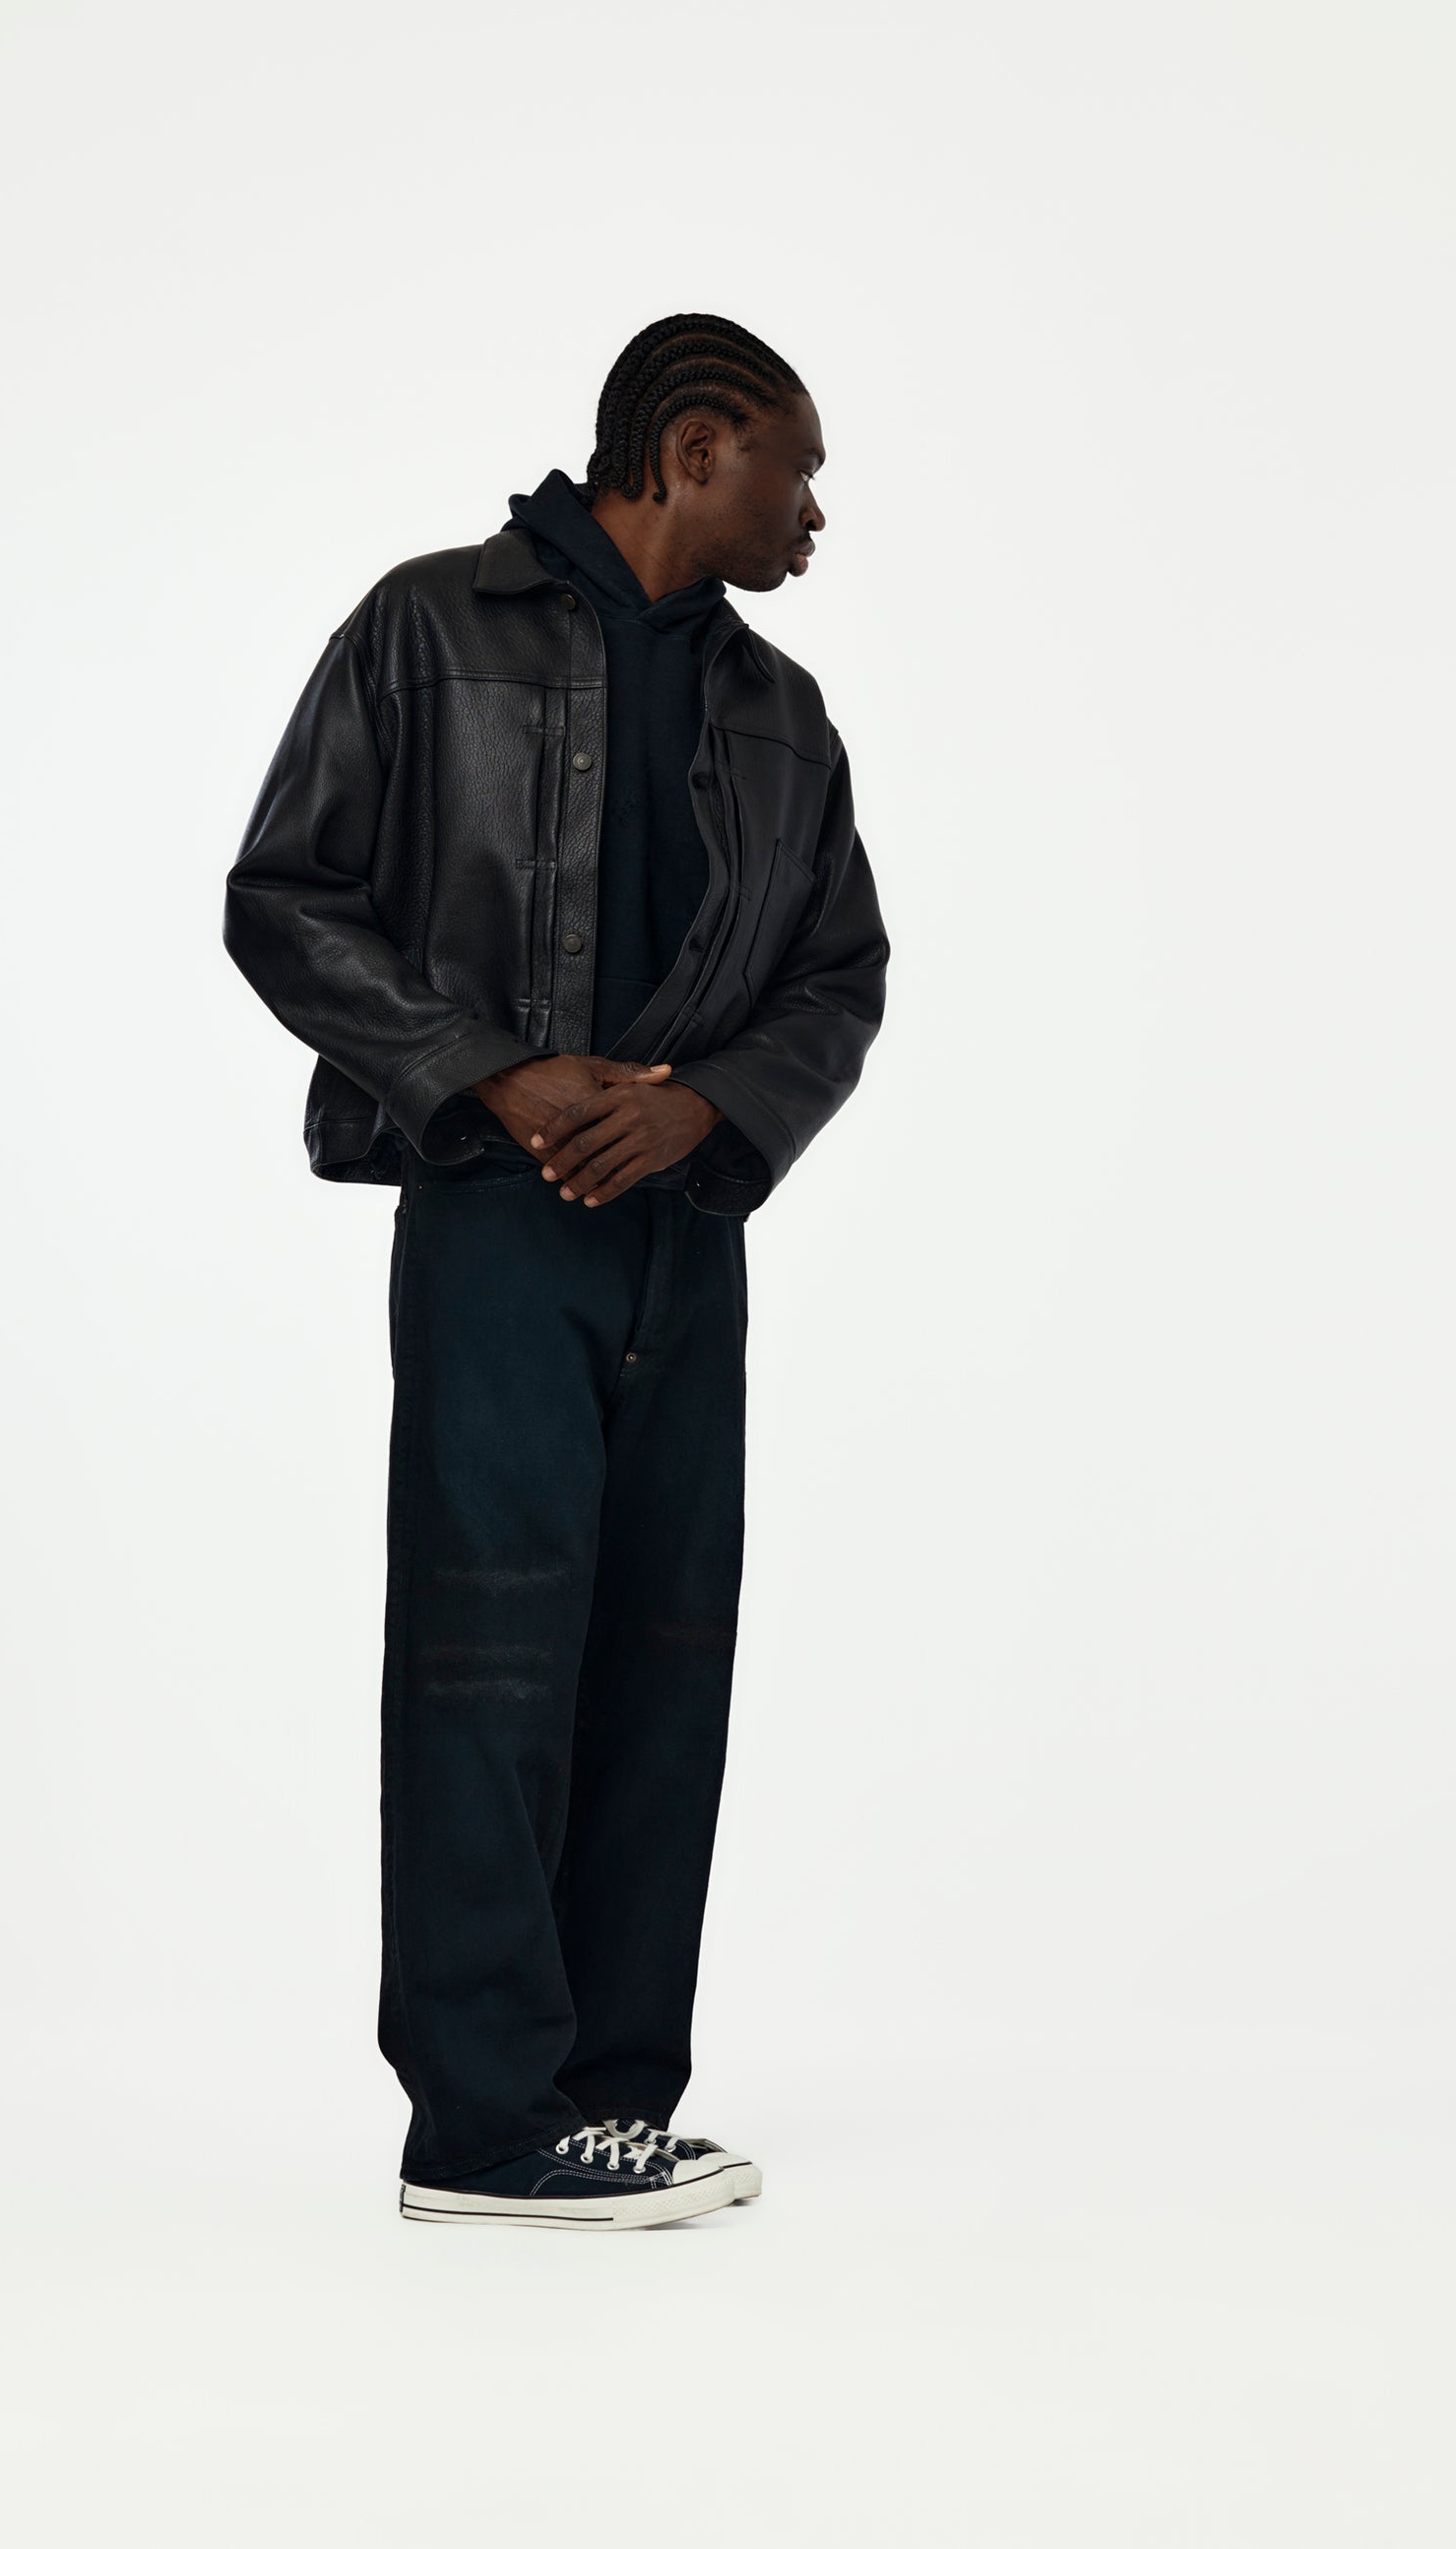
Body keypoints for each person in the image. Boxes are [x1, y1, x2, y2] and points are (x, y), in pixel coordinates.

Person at [223, 313, 890, 2229]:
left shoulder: (781, 711)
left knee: (665, 1657)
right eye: (796, 468)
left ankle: (606, 2098)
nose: (815, 511)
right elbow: (284, 897)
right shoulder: (429, 628)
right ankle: (477, 2122)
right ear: (694, 448)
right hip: (498, 1218)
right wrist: (487, 1071)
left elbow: (841, 972)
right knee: (488, 1653)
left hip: (684, 1231)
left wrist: (714, 1113)